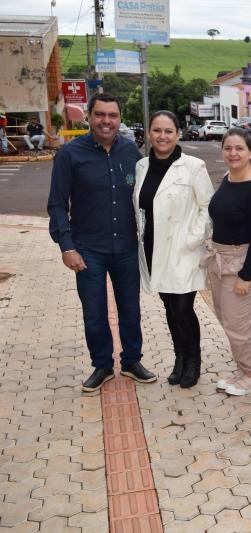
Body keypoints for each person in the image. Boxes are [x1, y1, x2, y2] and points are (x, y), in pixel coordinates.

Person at [47, 93, 156, 393]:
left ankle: (132, 361)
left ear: (119, 118)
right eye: (100, 115)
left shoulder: (130, 151)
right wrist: (66, 247)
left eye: (112, 115)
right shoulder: (70, 154)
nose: (106, 121)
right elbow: (57, 204)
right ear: (89, 117)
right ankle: (103, 365)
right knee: (94, 313)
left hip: (126, 249)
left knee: (130, 311)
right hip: (87, 250)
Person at [133, 110, 214, 388]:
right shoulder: (142, 166)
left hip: (183, 251)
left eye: (168, 131)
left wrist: (192, 239)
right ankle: (179, 359)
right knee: (169, 307)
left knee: (183, 309)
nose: (162, 136)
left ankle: (193, 361)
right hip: (154, 250)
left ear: (177, 134)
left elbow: (208, 207)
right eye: (157, 130)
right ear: (148, 134)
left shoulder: (193, 166)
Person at [208, 128, 251, 396]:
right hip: (220, 258)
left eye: (239, 149)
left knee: (239, 326)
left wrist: (246, 276)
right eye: (228, 148)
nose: (233, 153)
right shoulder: (227, 178)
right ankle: (243, 370)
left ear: (250, 152)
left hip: (244, 262)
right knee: (227, 319)